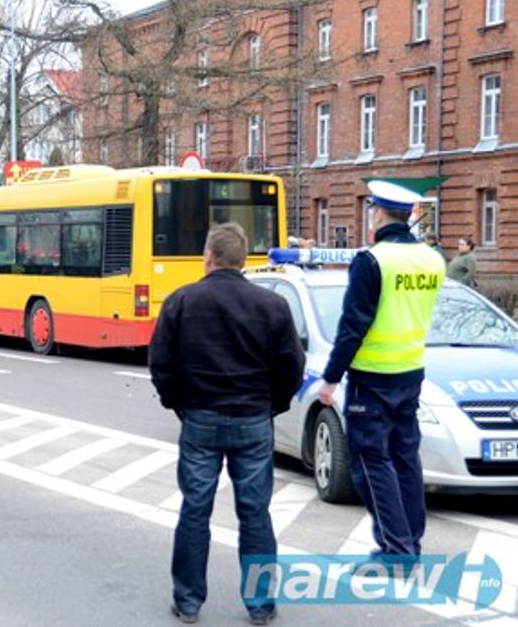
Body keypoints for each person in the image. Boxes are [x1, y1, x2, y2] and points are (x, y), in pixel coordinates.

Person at [150, 222, 305, 626]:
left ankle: (187, 602)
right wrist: (273, 405)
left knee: (195, 509)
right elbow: (292, 366)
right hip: (254, 420)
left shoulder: (182, 301)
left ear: (208, 257)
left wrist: (177, 404)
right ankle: (260, 604)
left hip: (200, 418)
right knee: (255, 512)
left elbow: (161, 363)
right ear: (243, 260)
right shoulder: (271, 306)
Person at [317, 180, 446, 559]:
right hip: (411, 371)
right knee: (406, 456)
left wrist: (331, 377)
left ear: (377, 214)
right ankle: (411, 541)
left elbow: (353, 325)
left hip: (371, 377)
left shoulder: (371, 261)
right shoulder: (432, 260)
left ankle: (396, 548)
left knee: (371, 461)